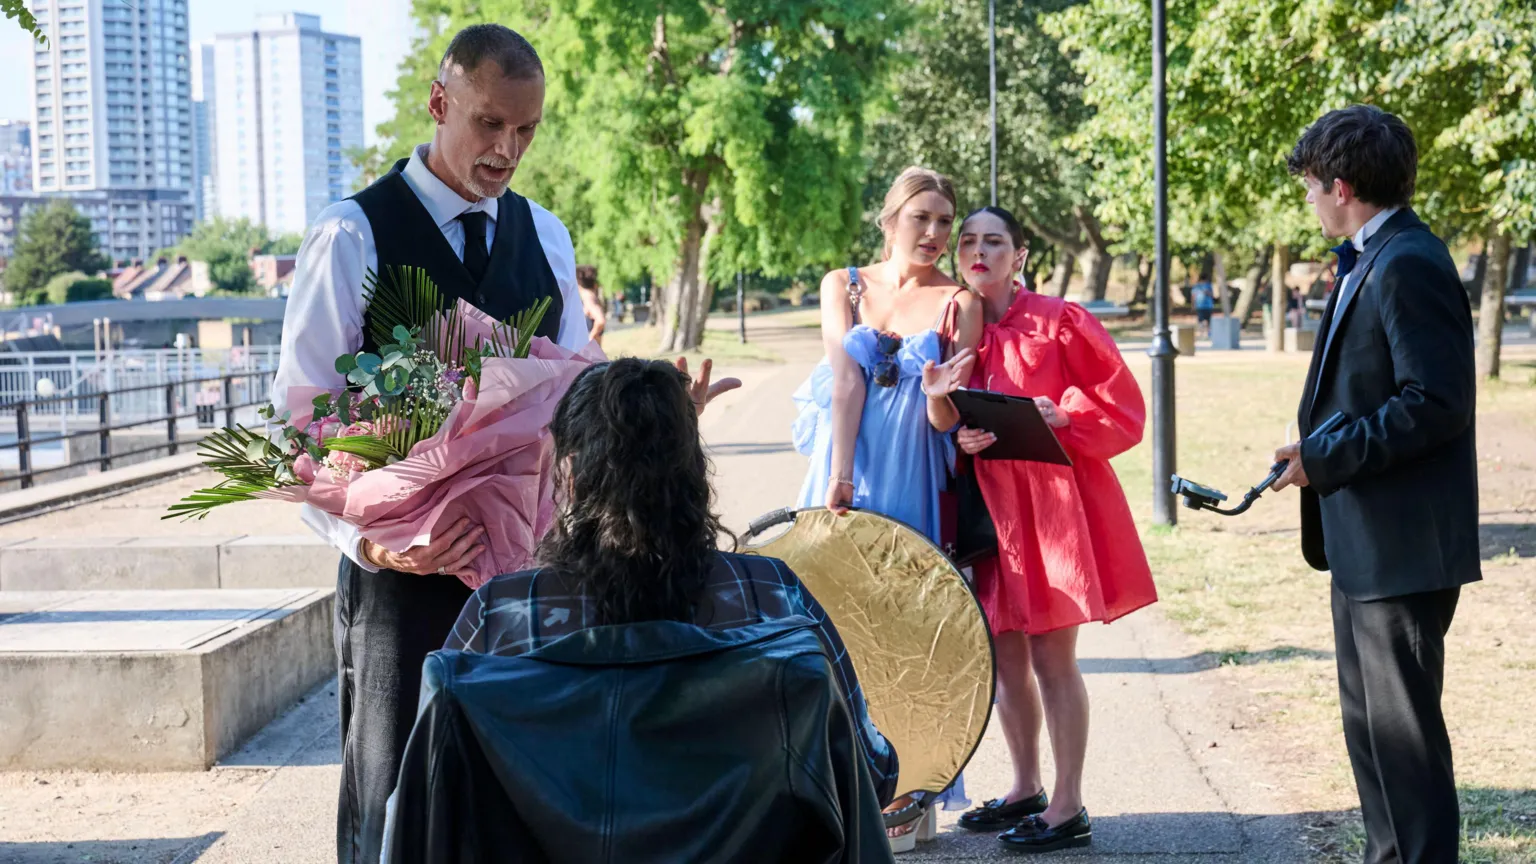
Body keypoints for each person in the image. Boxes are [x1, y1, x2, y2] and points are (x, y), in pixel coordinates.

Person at [271, 25, 731, 864]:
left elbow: (575, 395)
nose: (507, 150)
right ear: (440, 102)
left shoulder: (545, 234)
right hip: (400, 593)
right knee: (394, 804)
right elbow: (295, 426)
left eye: (526, 131)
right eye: (489, 124)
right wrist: (370, 540)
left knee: (524, 800)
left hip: (530, 580)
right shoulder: (352, 235)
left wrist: (661, 417)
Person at [439, 358, 897, 848]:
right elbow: (870, 773)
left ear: (569, 476)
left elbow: (434, 797)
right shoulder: (772, 597)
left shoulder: (502, 616)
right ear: (694, 470)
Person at [1271, 105, 1479, 864]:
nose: (1308, 200)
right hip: (1365, 540)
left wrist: (1325, 458)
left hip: (1404, 546)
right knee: (1372, 736)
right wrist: (1315, 448)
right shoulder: (1374, 254)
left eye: (1311, 187)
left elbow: (1438, 403)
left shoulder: (1409, 261)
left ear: (1342, 185)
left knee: (1406, 747)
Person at [925, 207, 1156, 854]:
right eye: (967, 241)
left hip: (1052, 508)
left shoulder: (1061, 321)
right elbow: (942, 414)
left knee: (1056, 661)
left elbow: (1122, 406)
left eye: (993, 241)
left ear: (1020, 255)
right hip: (989, 513)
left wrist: (1063, 413)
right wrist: (962, 433)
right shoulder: (955, 325)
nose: (977, 250)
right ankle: (1024, 785)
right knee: (1004, 660)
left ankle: (1068, 803)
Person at [792, 166, 982, 850]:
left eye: (942, 221)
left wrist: (936, 393)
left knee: (901, 626)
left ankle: (909, 796)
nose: (933, 234)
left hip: (912, 471)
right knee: (830, 618)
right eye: (920, 218)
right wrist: (840, 475)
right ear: (889, 218)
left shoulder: (960, 302)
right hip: (847, 464)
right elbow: (845, 381)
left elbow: (946, 422)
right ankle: (832, 786)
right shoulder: (844, 286)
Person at [575, 263, 607, 345]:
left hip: (590, 354)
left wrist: (590, 338)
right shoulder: (593, 297)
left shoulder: (588, 298)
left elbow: (600, 320)